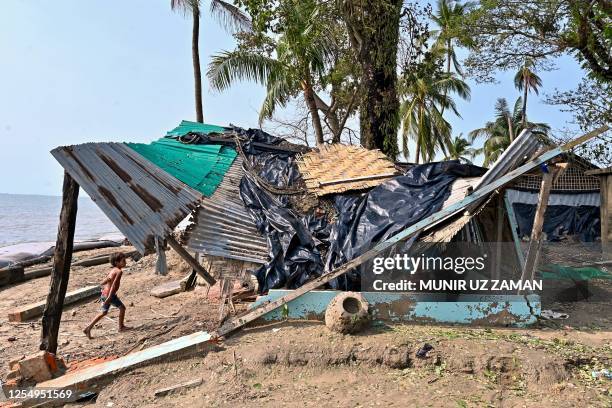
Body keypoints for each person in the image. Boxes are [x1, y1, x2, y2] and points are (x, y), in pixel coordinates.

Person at [83, 252, 129, 339]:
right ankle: (121, 327)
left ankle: (88, 328)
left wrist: (106, 293)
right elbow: (114, 285)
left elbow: (104, 282)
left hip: (104, 293)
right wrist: (110, 297)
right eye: (123, 261)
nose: (125, 262)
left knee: (103, 312)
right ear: (116, 262)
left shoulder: (112, 270)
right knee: (122, 308)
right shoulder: (119, 271)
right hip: (109, 295)